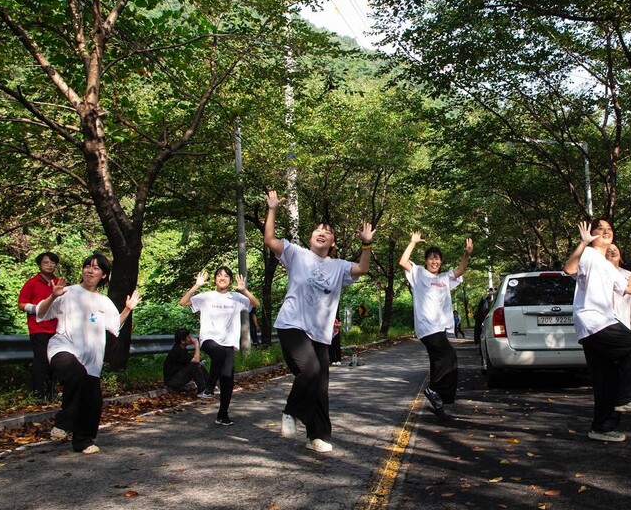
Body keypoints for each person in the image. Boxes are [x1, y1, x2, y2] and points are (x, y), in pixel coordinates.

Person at [264, 190, 374, 453]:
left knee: (320, 386)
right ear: (311, 237)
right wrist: (272, 209)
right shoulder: (296, 253)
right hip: (292, 325)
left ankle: (317, 436)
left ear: (332, 241)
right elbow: (269, 239)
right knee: (310, 370)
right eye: (317, 230)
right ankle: (290, 413)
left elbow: (363, 269)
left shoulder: (338, 266)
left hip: (320, 334)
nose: (321, 233)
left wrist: (366, 245)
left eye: (327, 231)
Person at [36, 253, 140, 454]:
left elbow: (114, 325)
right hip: (62, 348)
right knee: (76, 374)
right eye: (87, 266)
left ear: (103, 275)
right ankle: (63, 424)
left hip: (91, 359)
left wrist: (127, 309)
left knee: (93, 402)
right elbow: (41, 312)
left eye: (96, 268)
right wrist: (52, 296)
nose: (90, 270)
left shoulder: (104, 301)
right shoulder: (66, 292)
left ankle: (82, 441)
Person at [564, 219, 631, 443]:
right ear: (592, 234)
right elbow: (569, 268)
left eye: (609, 229)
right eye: (600, 229)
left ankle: (601, 427)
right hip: (594, 321)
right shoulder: (590, 255)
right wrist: (583, 244)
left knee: (606, 380)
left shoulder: (608, 266)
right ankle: (630, 397)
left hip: (596, 326)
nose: (605, 232)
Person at [399, 232, 473, 419]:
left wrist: (467, 254)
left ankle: (438, 402)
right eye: (431, 258)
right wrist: (413, 243)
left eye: (437, 258)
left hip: (440, 328)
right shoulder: (419, 273)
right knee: (449, 356)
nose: (434, 261)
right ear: (425, 261)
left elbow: (459, 271)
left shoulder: (444, 278)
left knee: (438, 362)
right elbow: (403, 262)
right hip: (427, 327)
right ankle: (435, 390)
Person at [179, 267, 260, 426]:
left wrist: (244, 290)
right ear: (215, 279)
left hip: (229, 342)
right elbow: (183, 302)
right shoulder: (206, 296)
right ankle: (209, 386)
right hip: (209, 339)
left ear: (230, 281)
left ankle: (222, 414)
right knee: (219, 353)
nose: (222, 278)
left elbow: (256, 303)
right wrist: (196, 286)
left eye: (226, 276)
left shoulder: (236, 297)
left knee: (228, 380)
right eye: (219, 275)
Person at [18, 251, 61, 399]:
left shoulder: (58, 283)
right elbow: (21, 304)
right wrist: (36, 308)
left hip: (56, 328)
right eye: (46, 262)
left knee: (54, 360)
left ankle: (51, 392)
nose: (50, 265)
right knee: (41, 360)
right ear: (39, 265)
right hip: (39, 328)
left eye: (52, 262)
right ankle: (38, 393)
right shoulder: (32, 283)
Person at [163, 329, 208, 394]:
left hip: (177, 377)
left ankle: (209, 386)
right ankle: (202, 390)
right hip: (172, 381)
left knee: (198, 364)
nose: (191, 339)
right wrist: (196, 345)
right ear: (183, 341)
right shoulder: (177, 351)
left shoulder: (182, 349)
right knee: (194, 365)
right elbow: (196, 360)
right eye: (189, 337)